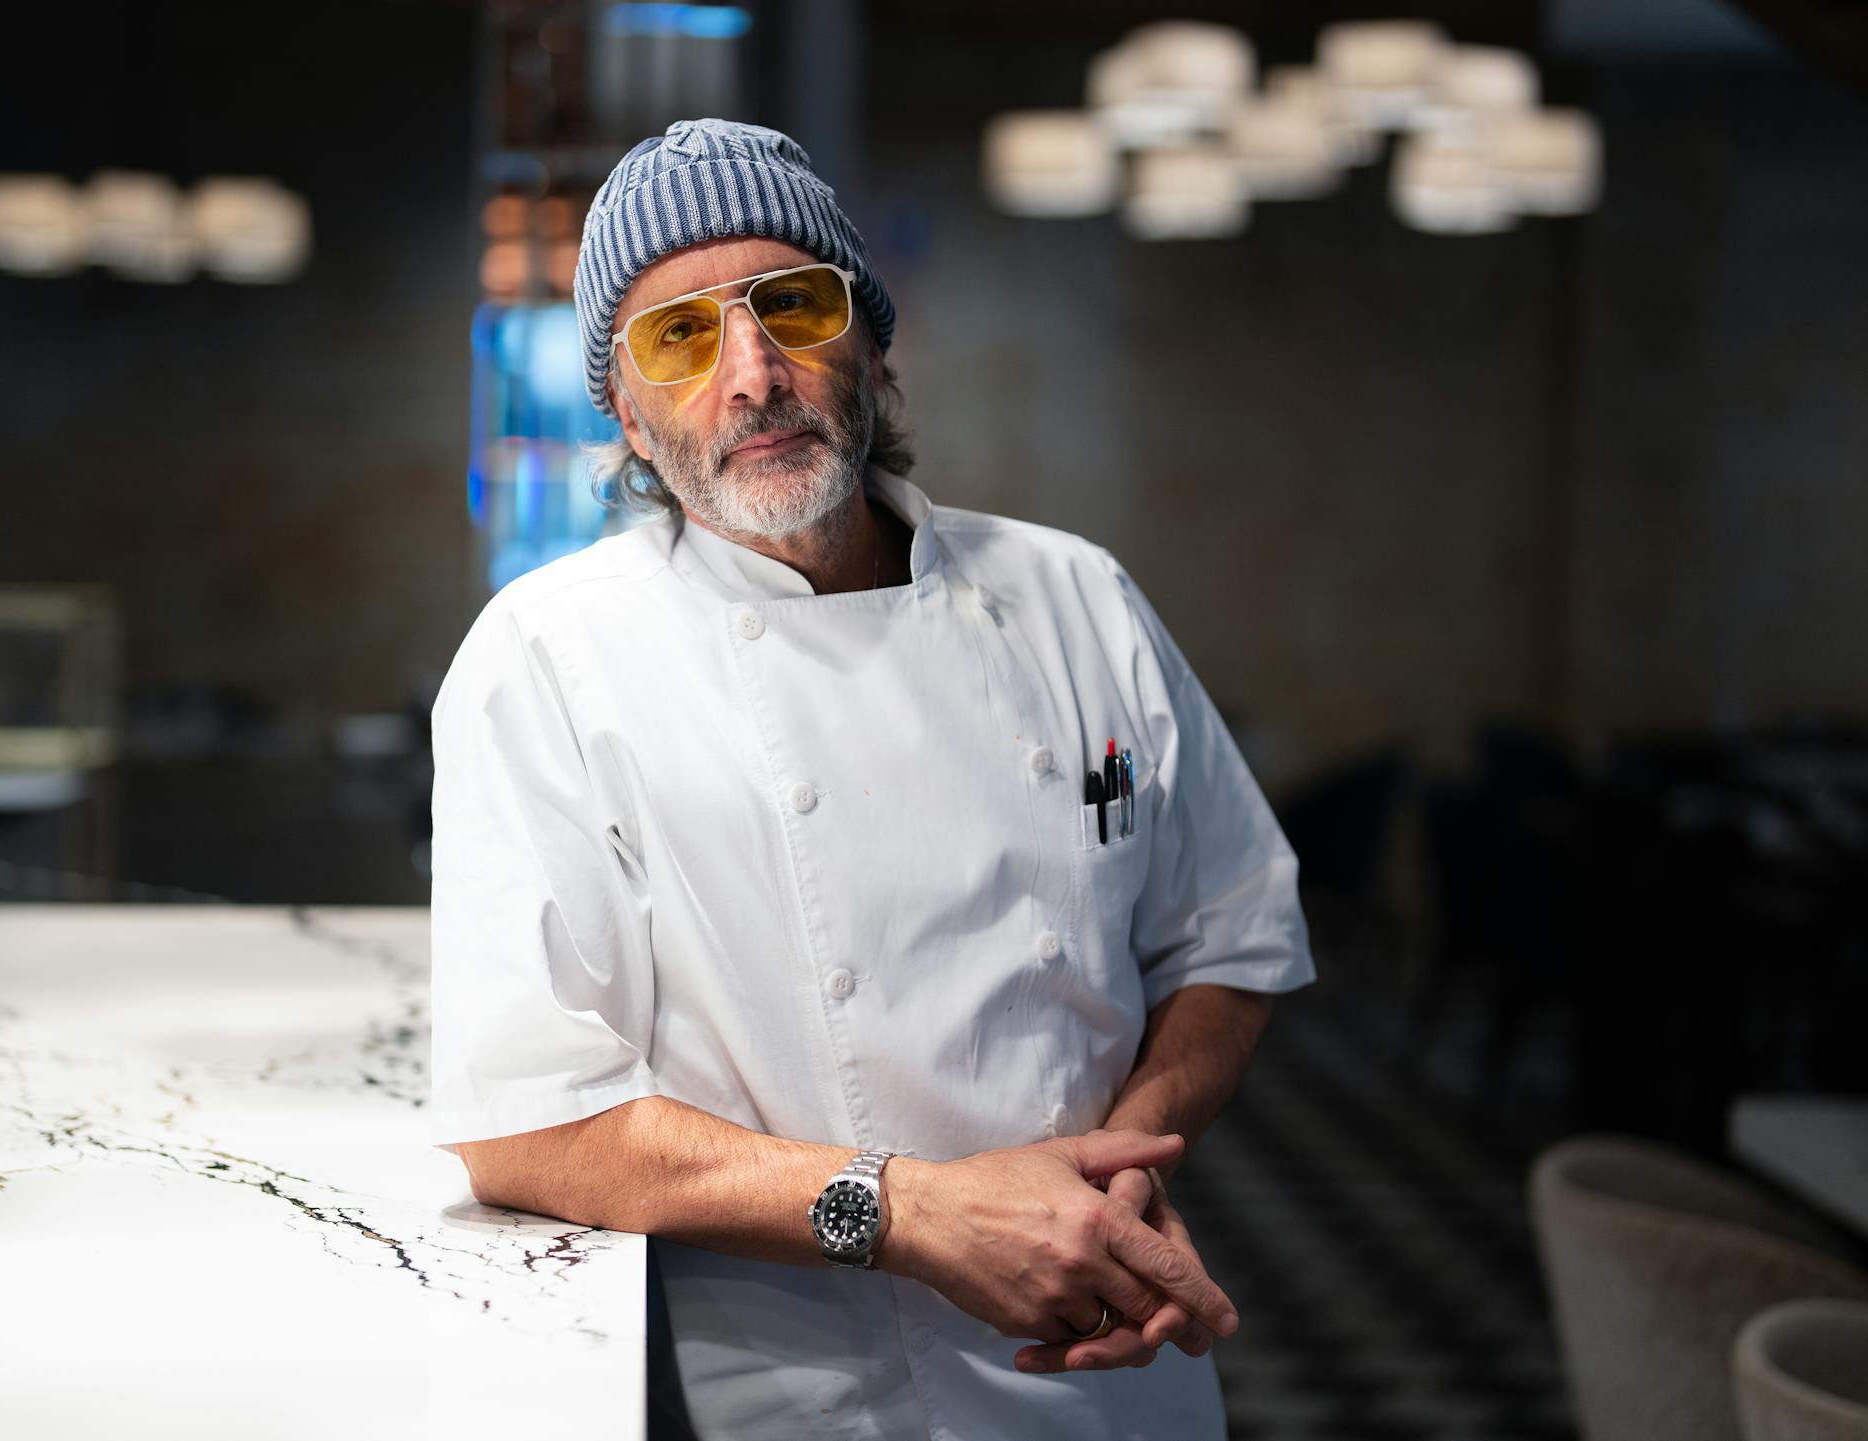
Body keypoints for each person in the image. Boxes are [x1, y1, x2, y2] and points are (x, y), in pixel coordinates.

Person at [427, 117, 1314, 1440]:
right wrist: (914, 1212)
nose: (752, 376)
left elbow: (1232, 934)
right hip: (808, 1388)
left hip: (1118, 1357)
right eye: (680, 336)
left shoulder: (1074, 595)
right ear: (624, 411)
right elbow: (529, 1124)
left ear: (872, 343)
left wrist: (1117, 1176)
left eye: (792, 307)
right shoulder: (549, 657)